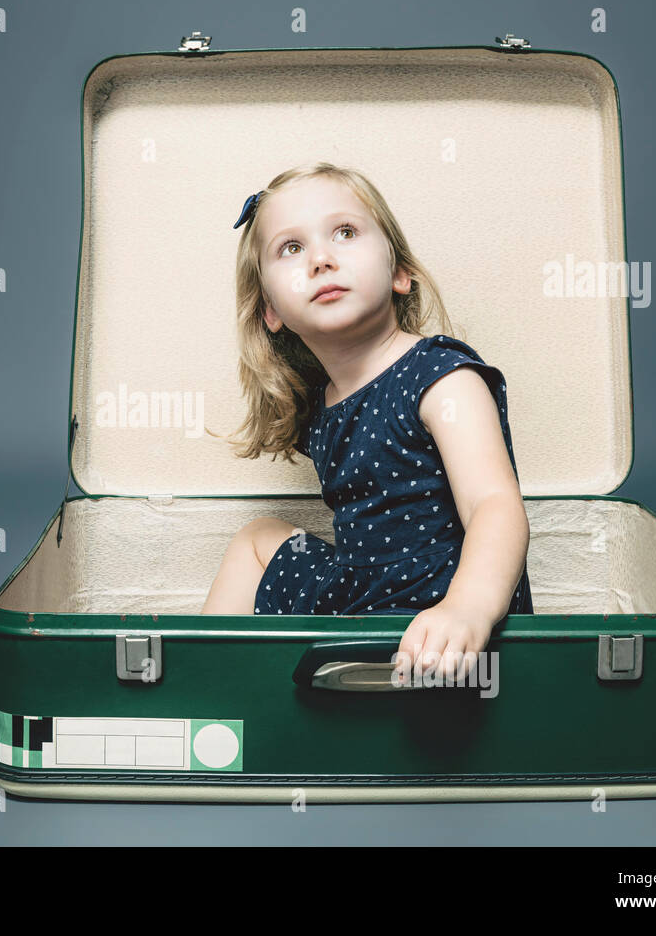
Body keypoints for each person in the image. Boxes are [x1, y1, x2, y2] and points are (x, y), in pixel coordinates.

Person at [202, 162, 533, 685]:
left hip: (438, 608)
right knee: (257, 538)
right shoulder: (322, 405)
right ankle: (206, 687)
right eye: (291, 248)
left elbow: (494, 505)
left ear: (400, 273)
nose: (321, 259)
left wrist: (469, 608)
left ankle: (212, 688)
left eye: (346, 232)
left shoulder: (440, 376)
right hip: (360, 594)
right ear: (271, 310)